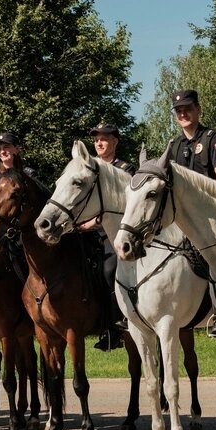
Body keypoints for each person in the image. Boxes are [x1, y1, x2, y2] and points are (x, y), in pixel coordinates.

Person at [167, 89, 216, 337]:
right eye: (179, 111)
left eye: (187, 109)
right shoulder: (173, 146)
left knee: (212, 258)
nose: (183, 113)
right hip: (180, 219)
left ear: (198, 110)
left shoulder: (212, 138)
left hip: (209, 216)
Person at [80, 124, 135, 351]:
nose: (99, 144)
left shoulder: (125, 169)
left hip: (113, 234)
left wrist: (91, 223)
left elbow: (128, 205)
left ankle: (116, 328)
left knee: (109, 270)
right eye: (96, 141)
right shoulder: (89, 169)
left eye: (104, 139)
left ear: (115, 142)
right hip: (87, 234)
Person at [0, 131, 41, 281]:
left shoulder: (28, 175)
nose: (2, 152)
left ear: (17, 149)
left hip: (20, 236)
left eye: (6, 147)